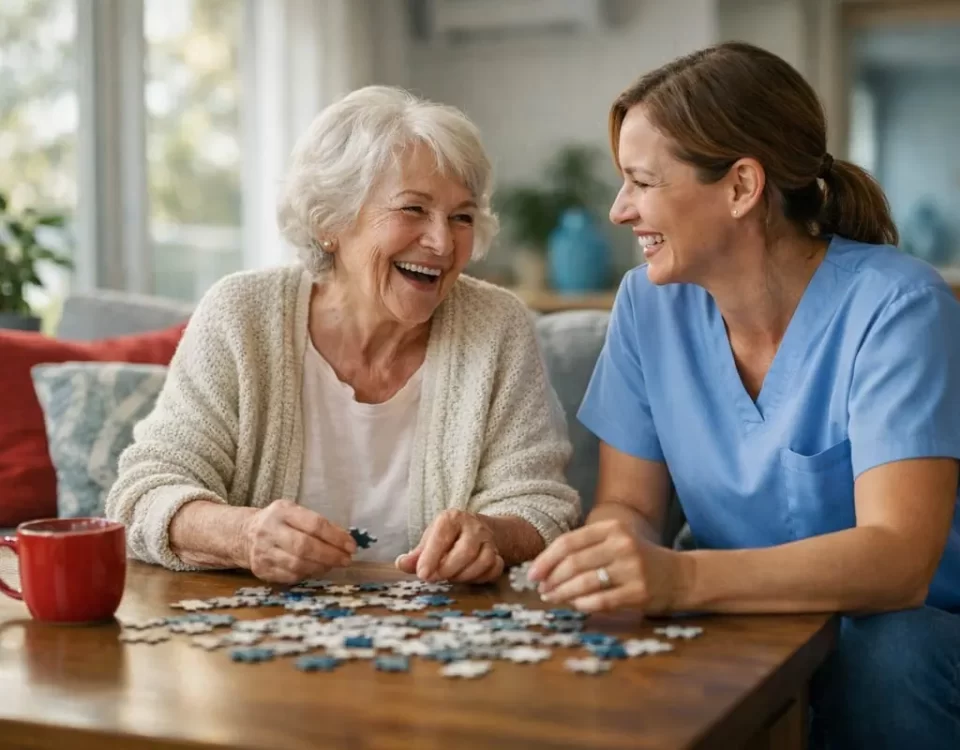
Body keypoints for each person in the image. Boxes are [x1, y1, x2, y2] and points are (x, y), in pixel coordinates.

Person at [527, 42, 960, 750]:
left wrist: (678, 579)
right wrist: (609, 564)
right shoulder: (646, 305)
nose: (618, 210)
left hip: (907, 639)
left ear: (741, 187)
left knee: (887, 653)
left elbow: (898, 561)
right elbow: (631, 505)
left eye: (640, 181)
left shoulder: (898, 305)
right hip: (738, 624)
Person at [106, 86, 579, 587]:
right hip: (253, 642)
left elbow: (541, 505)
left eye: (461, 217)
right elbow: (141, 496)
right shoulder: (242, 314)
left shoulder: (496, 325)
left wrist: (493, 535)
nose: (442, 242)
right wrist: (244, 534)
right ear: (331, 219)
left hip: (441, 644)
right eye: (413, 209)